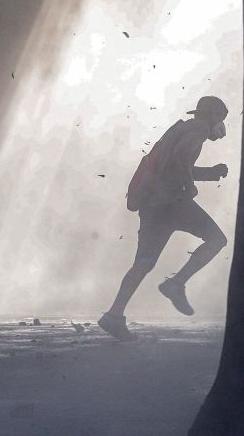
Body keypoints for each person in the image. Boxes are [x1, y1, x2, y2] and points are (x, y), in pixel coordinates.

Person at [98, 96, 231, 341]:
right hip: (173, 204)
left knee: (144, 263)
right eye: (221, 118)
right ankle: (176, 284)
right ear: (212, 116)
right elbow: (181, 158)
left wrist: (209, 174)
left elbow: (173, 165)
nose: (221, 125)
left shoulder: (180, 128)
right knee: (216, 240)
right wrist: (190, 185)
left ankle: (113, 316)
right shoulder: (199, 128)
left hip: (152, 205)